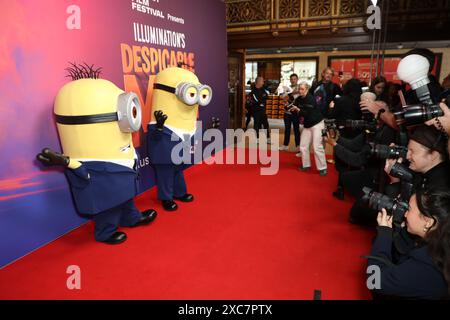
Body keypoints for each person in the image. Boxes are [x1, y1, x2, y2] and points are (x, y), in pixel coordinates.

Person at [367, 189, 450, 300]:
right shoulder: (440, 244)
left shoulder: (427, 265)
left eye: (409, 209)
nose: (405, 214)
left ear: (428, 222)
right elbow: (404, 256)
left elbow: (374, 281)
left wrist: (384, 234)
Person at [290, 82, 327, 176]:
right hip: (308, 124)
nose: (300, 91)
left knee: (317, 146)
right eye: (299, 89)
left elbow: (306, 113)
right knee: (303, 145)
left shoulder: (311, 98)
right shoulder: (299, 98)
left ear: (307, 89)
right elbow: (293, 105)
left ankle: (322, 168)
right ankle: (306, 165)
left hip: (317, 123)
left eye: (302, 89)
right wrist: (291, 108)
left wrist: (298, 110)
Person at [280, 74, 301, 151]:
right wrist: (287, 95)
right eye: (291, 79)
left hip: (295, 112)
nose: (293, 80)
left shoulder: (300, 88)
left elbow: (298, 97)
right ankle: (285, 145)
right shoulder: (287, 88)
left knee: (296, 130)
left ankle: (298, 146)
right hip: (287, 112)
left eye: (294, 79)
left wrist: (290, 95)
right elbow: (283, 97)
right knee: (287, 129)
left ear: (297, 79)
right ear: (290, 80)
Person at [249, 76, 271, 144]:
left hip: (263, 111)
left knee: (266, 125)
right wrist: (261, 101)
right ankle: (257, 138)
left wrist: (261, 101)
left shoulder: (263, 89)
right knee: (257, 125)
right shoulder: (253, 92)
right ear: (258, 82)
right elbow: (256, 101)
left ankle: (267, 138)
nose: (263, 82)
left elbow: (266, 97)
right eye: (262, 81)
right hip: (256, 111)